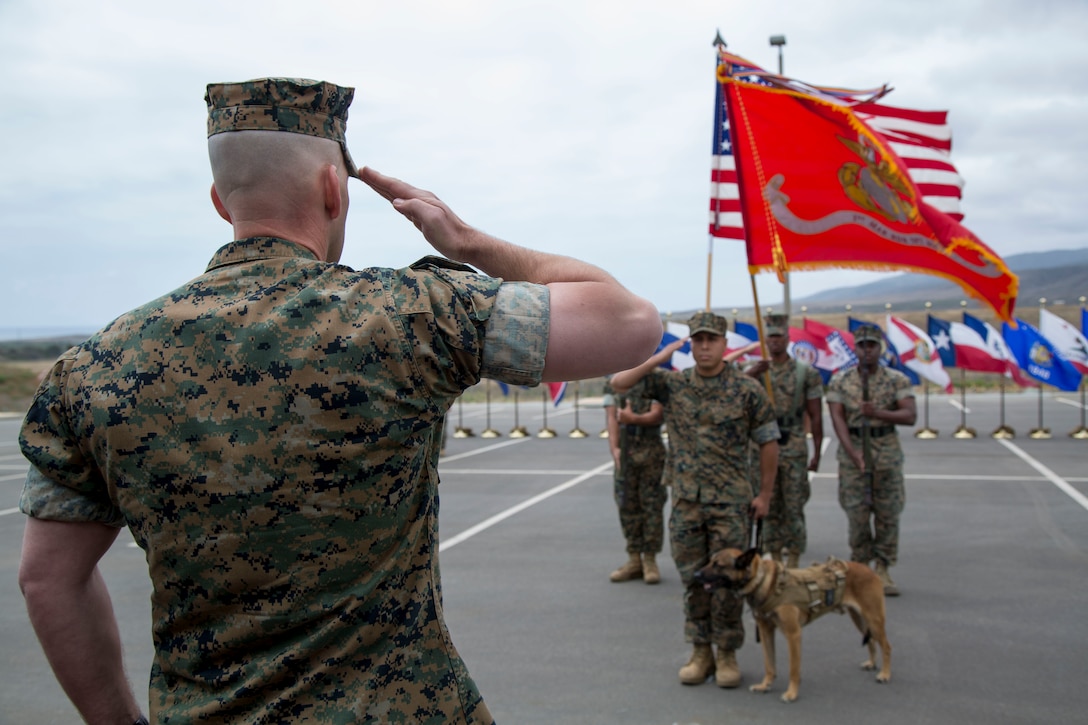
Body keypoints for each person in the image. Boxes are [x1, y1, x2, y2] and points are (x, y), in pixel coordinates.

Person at [17, 77, 662, 725]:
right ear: (333, 188)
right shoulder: (409, 317)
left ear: (221, 201)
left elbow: (48, 578)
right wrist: (465, 242)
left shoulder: (92, 368)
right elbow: (630, 322)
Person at [610, 311, 779, 689]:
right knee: (693, 580)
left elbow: (769, 441)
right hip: (687, 501)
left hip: (731, 504)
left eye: (712, 340)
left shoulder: (747, 390)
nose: (705, 346)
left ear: (724, 344)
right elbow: (620, 382)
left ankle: (727, 652)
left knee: (730, 582)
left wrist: (765, 494)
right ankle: (701, 651)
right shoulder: (674, 384)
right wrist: (660, 356)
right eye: (698, 340)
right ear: (691, 343)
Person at [826, 322, 917, 596]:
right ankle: (860, 566)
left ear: (880, 348)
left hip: (886, 452)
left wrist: (878, 412)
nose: (867, 351)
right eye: (862, 346)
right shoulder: (840, 380)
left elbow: (910, 416)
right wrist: (852, 453)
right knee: (857, 514)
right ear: (855, 349)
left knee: (888, 513)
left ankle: (884, 568)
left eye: (872, 346)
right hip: (853, 453)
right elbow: (837, 418)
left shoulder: (896, 379)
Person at [743, 313, 824, 568]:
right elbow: (734, 396)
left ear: (788, 339)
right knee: (768, 503)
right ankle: (773, 557)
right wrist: (753, 374)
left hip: (793, 446)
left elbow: (815, 414)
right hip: (762, 447)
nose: (775, 342)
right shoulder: (756, 372)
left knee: (793, 503)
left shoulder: (805, 373)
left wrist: (817, 452)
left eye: (779, 336)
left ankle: (794, 558)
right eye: (771, 337)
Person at [601, 373, 667, 584]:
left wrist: (633, 419)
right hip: (626, 452)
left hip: (651, 451)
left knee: (652, 506)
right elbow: (611, 416)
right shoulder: (614, 381)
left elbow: (657, 415)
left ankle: (650, 560)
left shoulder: (655, 379)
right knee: (627, 504)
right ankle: (634, 560)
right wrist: (615, 448)